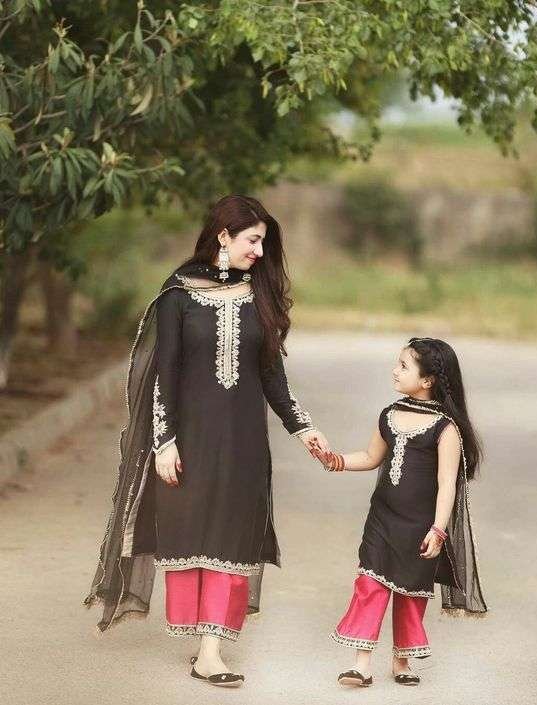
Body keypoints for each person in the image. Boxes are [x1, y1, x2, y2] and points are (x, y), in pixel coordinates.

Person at [84, 195, 329, 687]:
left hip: (244, 445)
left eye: (263, 243)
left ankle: (211, 651)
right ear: (223, 236)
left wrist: (304, 428)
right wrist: (164, 441)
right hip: (189, 442)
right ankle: (202, 641)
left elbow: (273, 379)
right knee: (192, 533)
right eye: (252, 240)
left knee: (233, 538)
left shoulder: (258, 297)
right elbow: (165, 375)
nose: (259, 252)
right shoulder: (178, 295)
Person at [312, 337, 487, 688]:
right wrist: (335, 461)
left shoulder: (445, 428)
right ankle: (361, 665)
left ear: (428, 380)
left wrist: (438, 529)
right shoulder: (389, 415)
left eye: (404, 366)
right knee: (369, 583)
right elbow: (370, 457)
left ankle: (402, 661)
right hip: (382, 519)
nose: (395, 371)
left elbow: (447, 484)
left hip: (420, 526)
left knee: (410, 592)